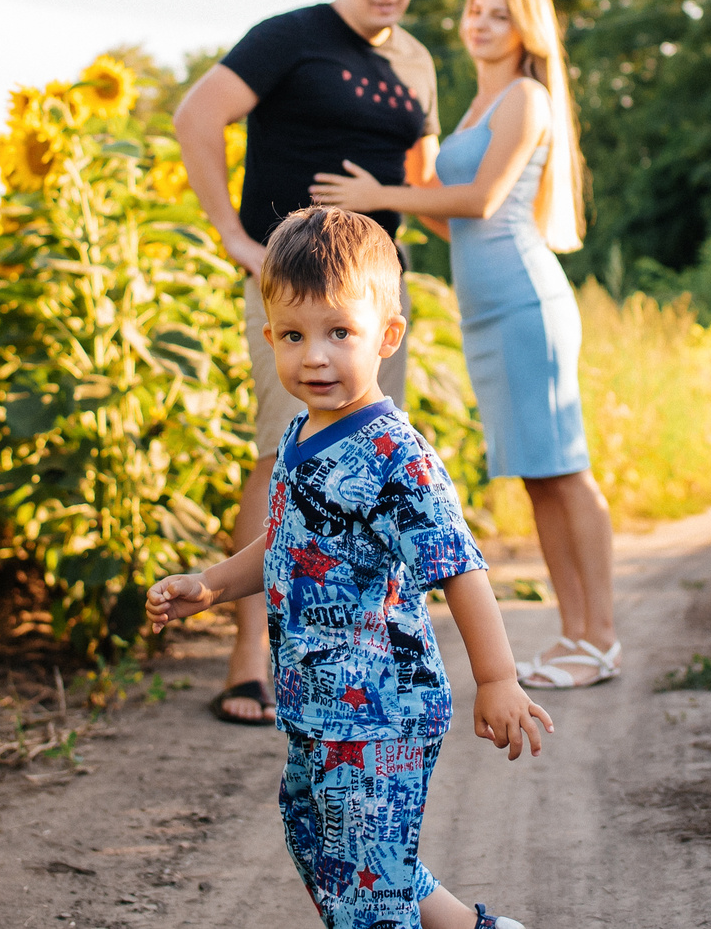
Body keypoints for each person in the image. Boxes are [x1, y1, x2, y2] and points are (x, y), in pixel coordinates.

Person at [147, 208, 547, 929]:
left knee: (363, 884)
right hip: (317, 707)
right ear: (269, 337)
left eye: (340, 332)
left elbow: (459, 567)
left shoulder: (396, 456)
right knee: (324, 838)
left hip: (379, 709)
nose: (316, 357)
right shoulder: (302, 432)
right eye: (294, 336)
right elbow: (283, 545)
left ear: (387, 337)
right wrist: (210, 583)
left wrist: (497, 679)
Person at [310, 0, 618, 690]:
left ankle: (601, 635)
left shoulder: (526, 97)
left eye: (498, 14)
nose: (479, 24)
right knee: (537, 477)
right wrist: (388, 197)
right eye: (474, 11)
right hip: (486, 311)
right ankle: (576, 634)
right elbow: (451, 223)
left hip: (525, 304)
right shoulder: (481, 101)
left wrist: (377, 191)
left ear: (525, 29)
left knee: (565, 470)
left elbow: (479, 200)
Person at [172, 0, 440, 725]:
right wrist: (234, 237)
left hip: (376, 299)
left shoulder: (418, 62)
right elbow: (195, 115)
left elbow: (420, 178)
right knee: (281, 450)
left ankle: (350, 645)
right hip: (295, 291)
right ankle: (249, 653)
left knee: (369, 458)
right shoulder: (290, 38)